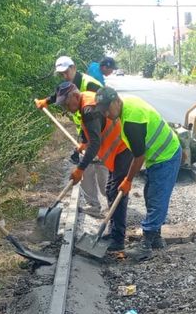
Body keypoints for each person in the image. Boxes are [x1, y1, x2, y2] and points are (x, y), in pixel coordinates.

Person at [94, 86, 181, 258]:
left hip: (167, 155)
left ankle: (146, 244)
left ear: (116, 101)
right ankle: (156, 238)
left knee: (157, 198)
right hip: (157, 156)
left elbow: (138, 156)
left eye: (107, 109)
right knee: (150, 195)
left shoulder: (132, 120)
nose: (106, 114)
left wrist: (127, 180)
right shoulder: (126, 107)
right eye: (102, 111)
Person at [53, 82, 133, 252]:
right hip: (118, 149)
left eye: (67, 104)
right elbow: (93, 129)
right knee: (112, 190)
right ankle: (113, 233)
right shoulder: (86, 101)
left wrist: (80, 169)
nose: (67, 108)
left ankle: (118, 239)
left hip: (122, 148)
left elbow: (96, 142)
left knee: (116, 191)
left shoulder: (88, 109)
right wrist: (84, 141)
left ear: (75, 96)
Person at [36, 57, 106, 214]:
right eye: (61, 74)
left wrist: (89, 142)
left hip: (100, 130)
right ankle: (93, 205)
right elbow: (59, 94)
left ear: (73, 67)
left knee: (101, 167)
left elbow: (97, 114)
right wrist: (46, 101)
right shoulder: (68, 86)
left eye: (66, 72)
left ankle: (112, 202)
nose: (65, 76)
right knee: (85, 165)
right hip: (84, 129)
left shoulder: (90, 85)